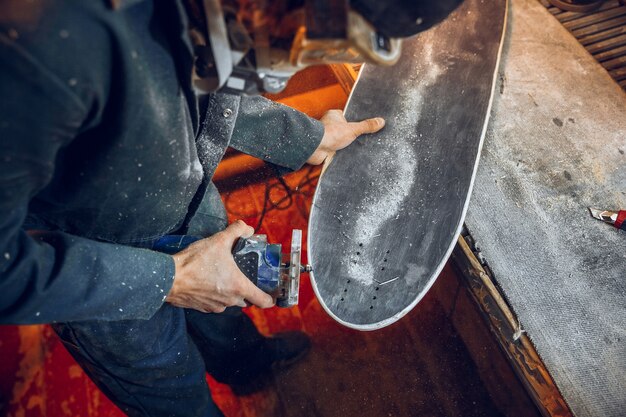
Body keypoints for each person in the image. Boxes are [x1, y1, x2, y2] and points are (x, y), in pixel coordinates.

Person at [0, 1, 462, 415]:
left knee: (223, 317)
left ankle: (246, 365)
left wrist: (307, 138)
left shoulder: (218, 14)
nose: (309, 60)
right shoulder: (38, 49)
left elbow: (205, 82)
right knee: (169, 385)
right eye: (308, 43)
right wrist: (171, 279)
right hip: (100, 267)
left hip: (187, 198)